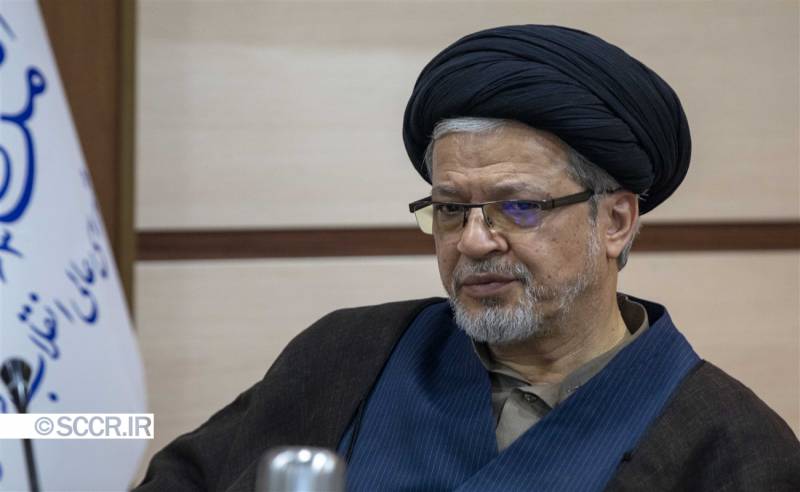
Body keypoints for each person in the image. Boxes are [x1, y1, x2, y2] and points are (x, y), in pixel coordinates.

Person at [136, 25, 800, 491]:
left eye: (520, 207)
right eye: (451, 208)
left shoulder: (731, 447)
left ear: (615, 221)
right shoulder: (349, 355)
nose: (474, 241)